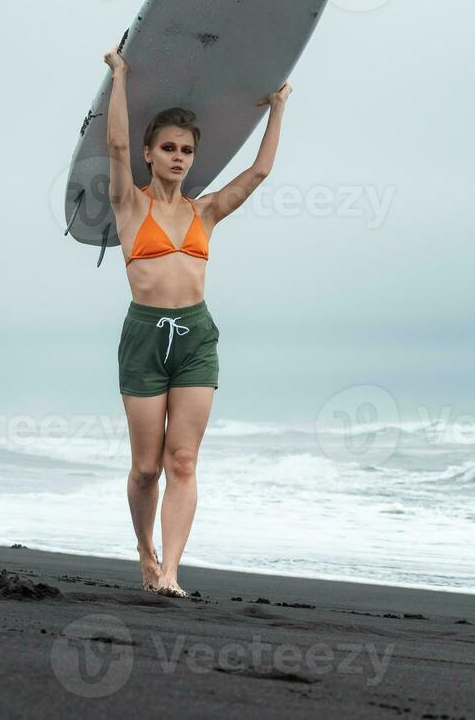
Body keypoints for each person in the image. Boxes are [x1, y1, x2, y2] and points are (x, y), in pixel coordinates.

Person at [103, 43, 290, 598]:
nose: (179, 156)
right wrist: (120, 76)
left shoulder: (204, 211)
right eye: (168, 147)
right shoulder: (128, 205)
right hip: (144, 338)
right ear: (150, 153)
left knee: (182, 459)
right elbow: (113, 143)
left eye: (186, 149)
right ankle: (144, 552)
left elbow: (258, 173)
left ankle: (171, 573)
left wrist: (278, 109)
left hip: (195, 338)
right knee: (146, 469)